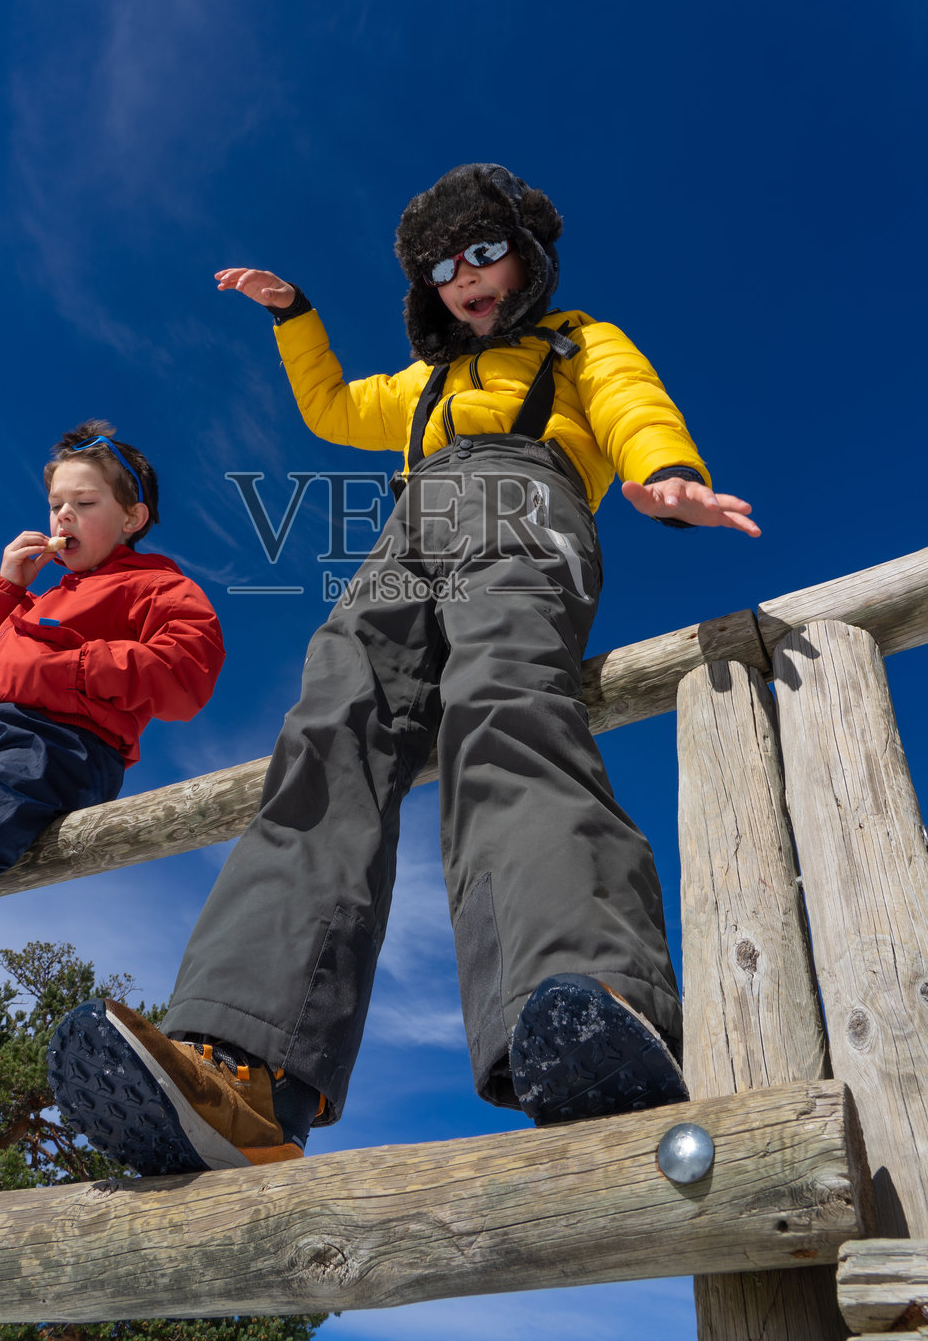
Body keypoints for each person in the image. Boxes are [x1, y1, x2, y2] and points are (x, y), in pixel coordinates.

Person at [48, 165, 759, 1178]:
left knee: (504, 703)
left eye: (481, 251)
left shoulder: (571, 340)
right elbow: (332, 410)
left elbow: (628, 399)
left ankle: (581, 1002)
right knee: (330, 725)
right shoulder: (420, 387)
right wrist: (295, 315)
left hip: (523, 501)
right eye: (439, 266)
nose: (462, 277)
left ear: (525, 253)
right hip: (405, 530)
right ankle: (244, 1056)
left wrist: (662, 471)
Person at [0, 420, 225, 1201]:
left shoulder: (157, 584)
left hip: (53, 745)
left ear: (131, 517)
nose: (60, 518)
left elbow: (187, 676)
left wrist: (71, 668)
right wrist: (1, 591)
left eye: (82, 503)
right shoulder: (33, 595)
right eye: (54, 503)